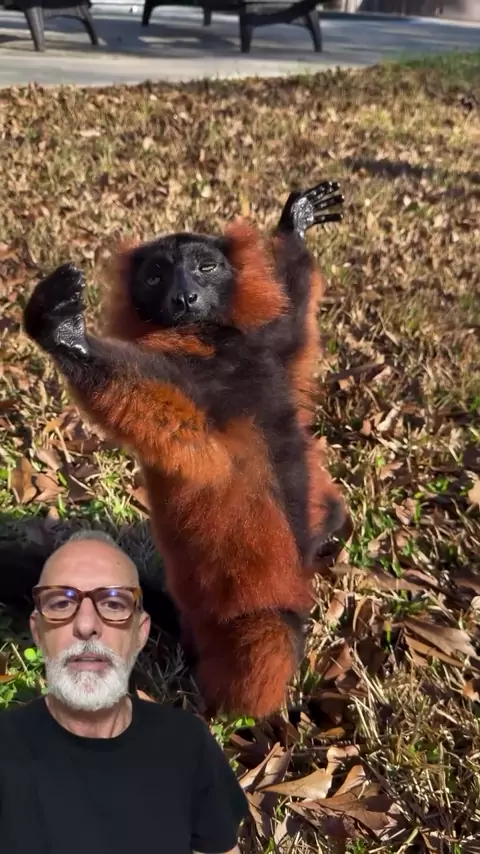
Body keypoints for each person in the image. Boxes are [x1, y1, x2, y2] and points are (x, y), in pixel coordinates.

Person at [0, 529, 249, 854]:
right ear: (37, 630)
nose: (86, 626)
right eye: (61, 604)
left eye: (113, 604)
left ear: (141, 632)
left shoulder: (188, 745)